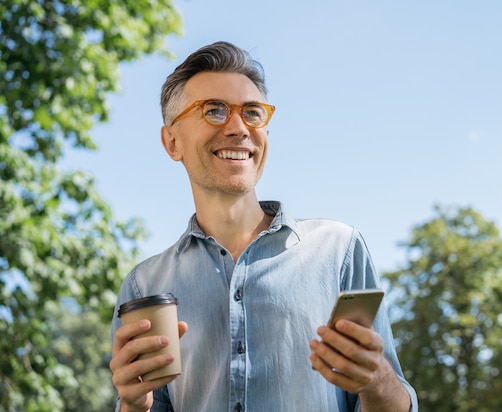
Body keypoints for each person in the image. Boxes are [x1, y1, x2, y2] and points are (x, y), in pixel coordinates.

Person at [109, 41, 418, 412]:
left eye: (253, 113)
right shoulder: (146, 286)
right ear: (172, 141)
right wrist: (133, 404)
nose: (239, 128)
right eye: (215, 110)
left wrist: (378, 380)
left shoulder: (339, 251)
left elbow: (391, 399)